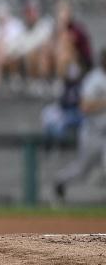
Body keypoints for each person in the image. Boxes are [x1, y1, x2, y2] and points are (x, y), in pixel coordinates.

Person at [54, 49, 106, 203]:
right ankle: (60, 181)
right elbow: (84, 107)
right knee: (81, 169)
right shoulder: (94, 79)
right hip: (92, 133)